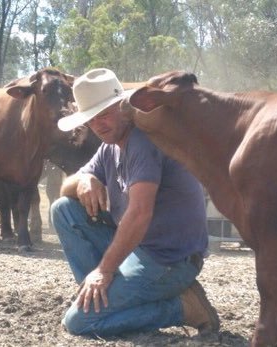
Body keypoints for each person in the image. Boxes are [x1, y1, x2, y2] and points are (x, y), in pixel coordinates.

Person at [51, 68, 219, 337]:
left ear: (123, 106)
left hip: (170, 259)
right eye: (91, 119)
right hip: (139, 249)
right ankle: (98, 299)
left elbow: (140, 213)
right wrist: (85, 179)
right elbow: (64, 190)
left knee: (79, 324)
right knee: (64, 210)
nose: (99, 125)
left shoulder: (142, 141)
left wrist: (104, 270)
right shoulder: (110, 146)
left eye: (104, 114)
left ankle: (184, 308)